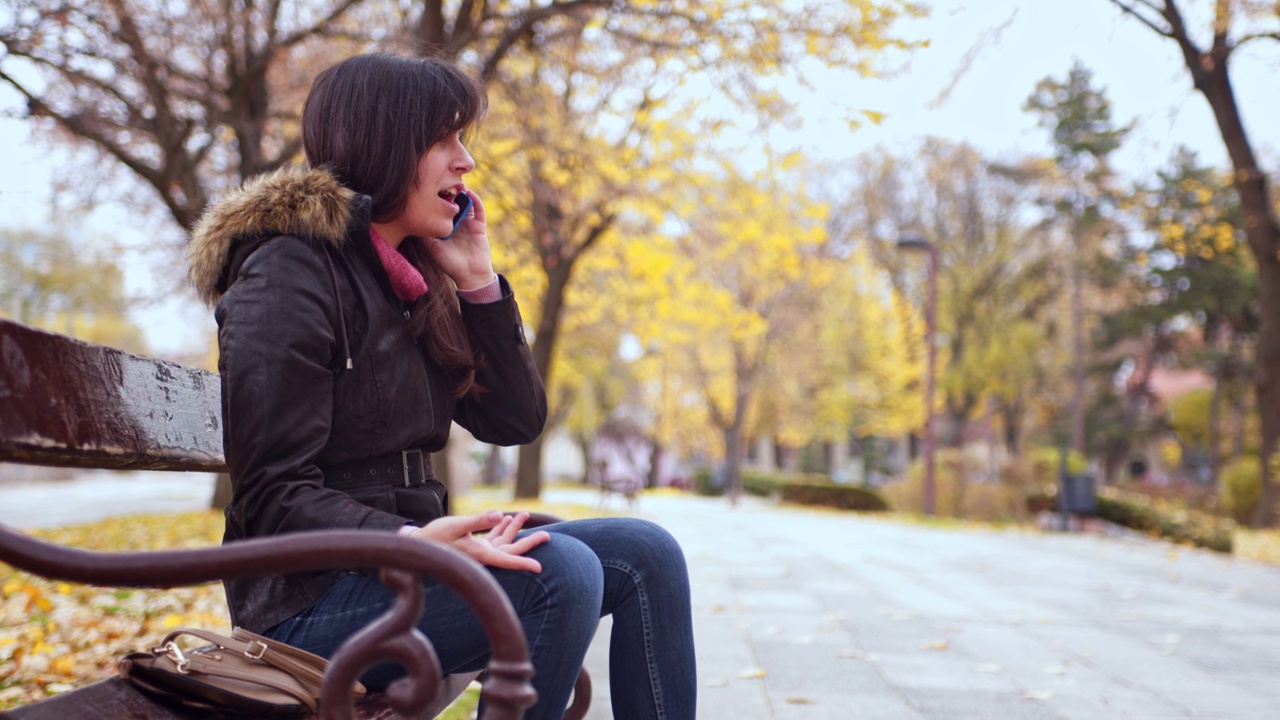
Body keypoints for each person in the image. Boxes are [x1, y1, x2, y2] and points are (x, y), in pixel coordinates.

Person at [187, 52, 696, 720]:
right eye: (445, 139)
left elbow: (513, 422)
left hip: (399, 572)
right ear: (385, 144)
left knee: (646, 553)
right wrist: (412, 542)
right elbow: (274, 496)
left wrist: (479, 284)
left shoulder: (408, 279)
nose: (467, 162)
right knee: (560, 576)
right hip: (305, 607)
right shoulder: (290, 273)